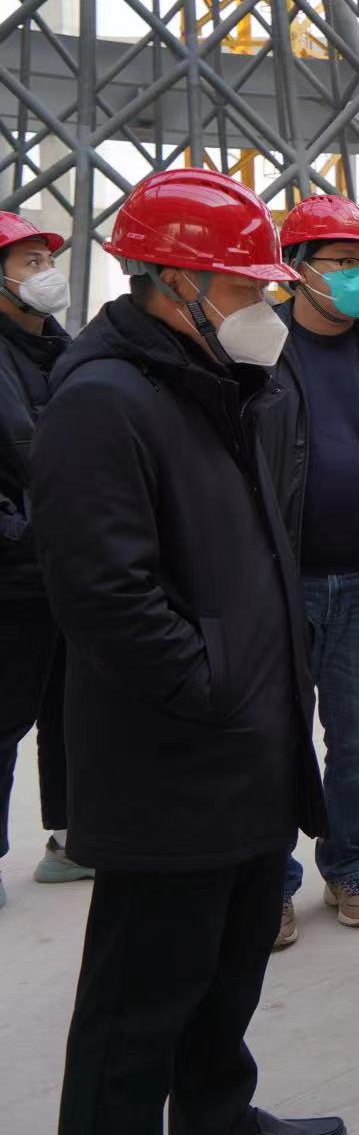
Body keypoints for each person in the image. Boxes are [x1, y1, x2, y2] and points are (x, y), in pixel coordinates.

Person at [31, 169, 341, 1134]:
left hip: (247, 744)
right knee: (139, 1005)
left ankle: (218, 1119)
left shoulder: (224, 387)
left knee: (225, 977)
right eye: (248, 289)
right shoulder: (105, 400)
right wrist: (212, 687)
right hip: (172, 761)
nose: (265, 310)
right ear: (176, 283)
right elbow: (104, 594)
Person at [260, 194, 359, 948]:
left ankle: (349, 865)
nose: (357, 276)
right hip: (279, 584)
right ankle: (270, 881)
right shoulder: (255, 348)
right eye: (341, 262)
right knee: (273, 737)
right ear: (297, 269)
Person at [0, 211, 91, 908]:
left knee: (74, 711)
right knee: (3, 717)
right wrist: (24, 535)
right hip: (12, 574)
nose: (45, 273)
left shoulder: (66, 350)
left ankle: (73, 840)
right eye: (29, 261)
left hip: (72, 567)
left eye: (47, 259)